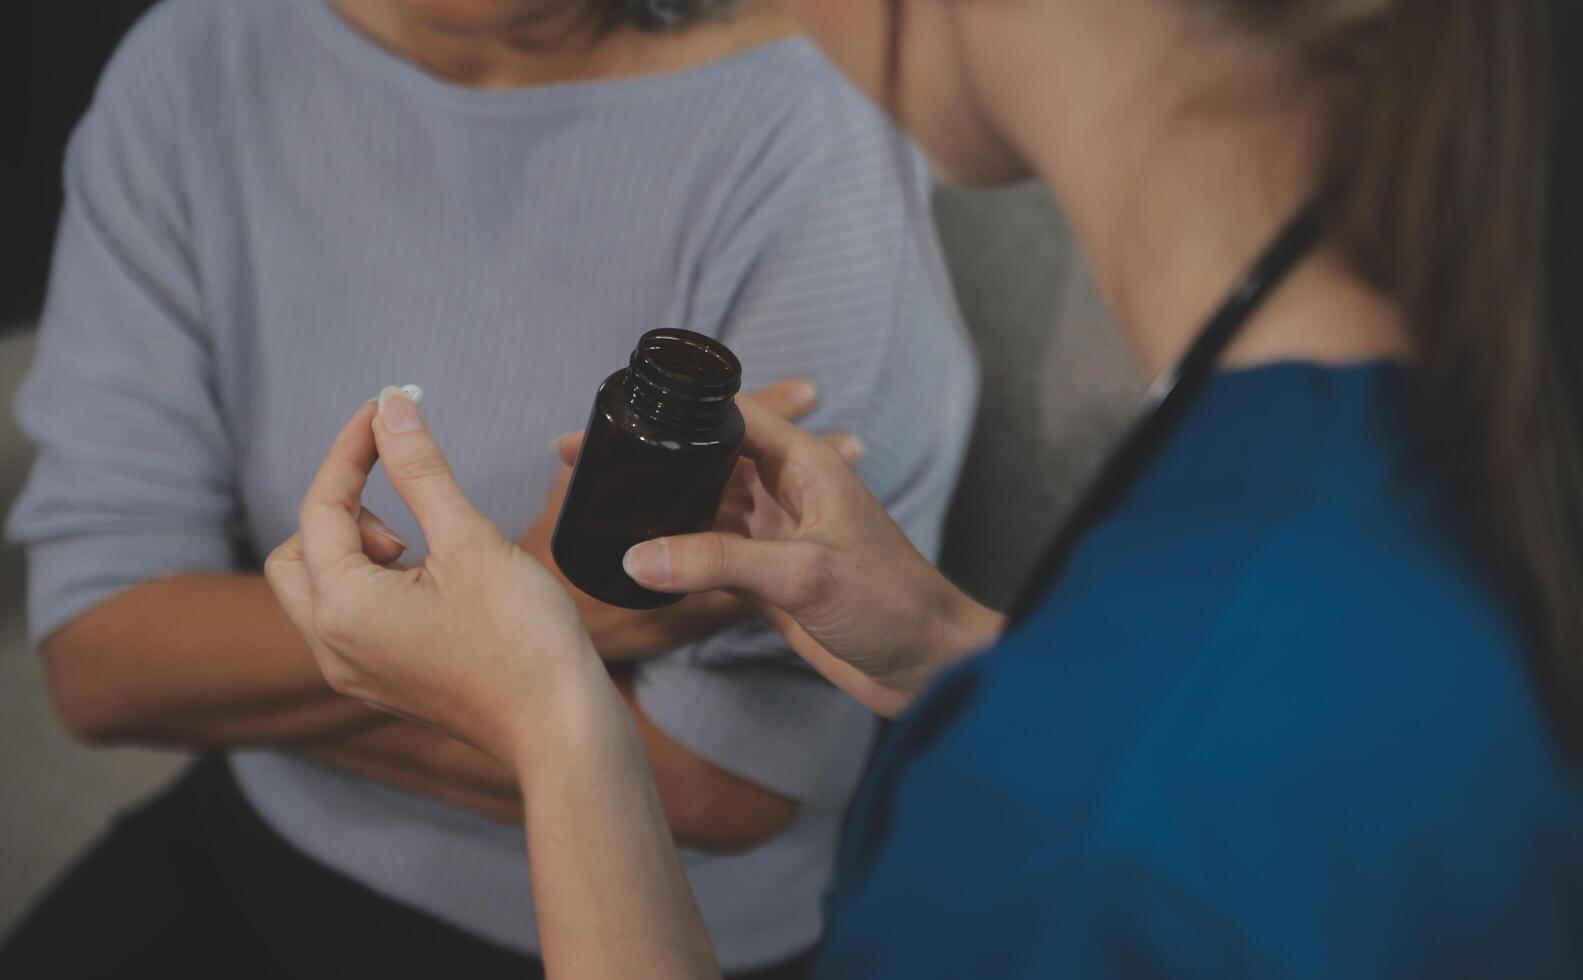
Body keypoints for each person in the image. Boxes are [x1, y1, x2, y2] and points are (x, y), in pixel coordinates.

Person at [255, 0, 1583, 975]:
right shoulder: (1435, 424)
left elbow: (1156, 806)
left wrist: (548, 716)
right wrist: (973, 659)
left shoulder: (1081, 835)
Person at [0, 0, 977, 975]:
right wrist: (558, 609)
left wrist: (256, 681)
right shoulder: (200, 56)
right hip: (261, 832)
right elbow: (100, 659)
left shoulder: (812, 143)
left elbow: (719, 784)